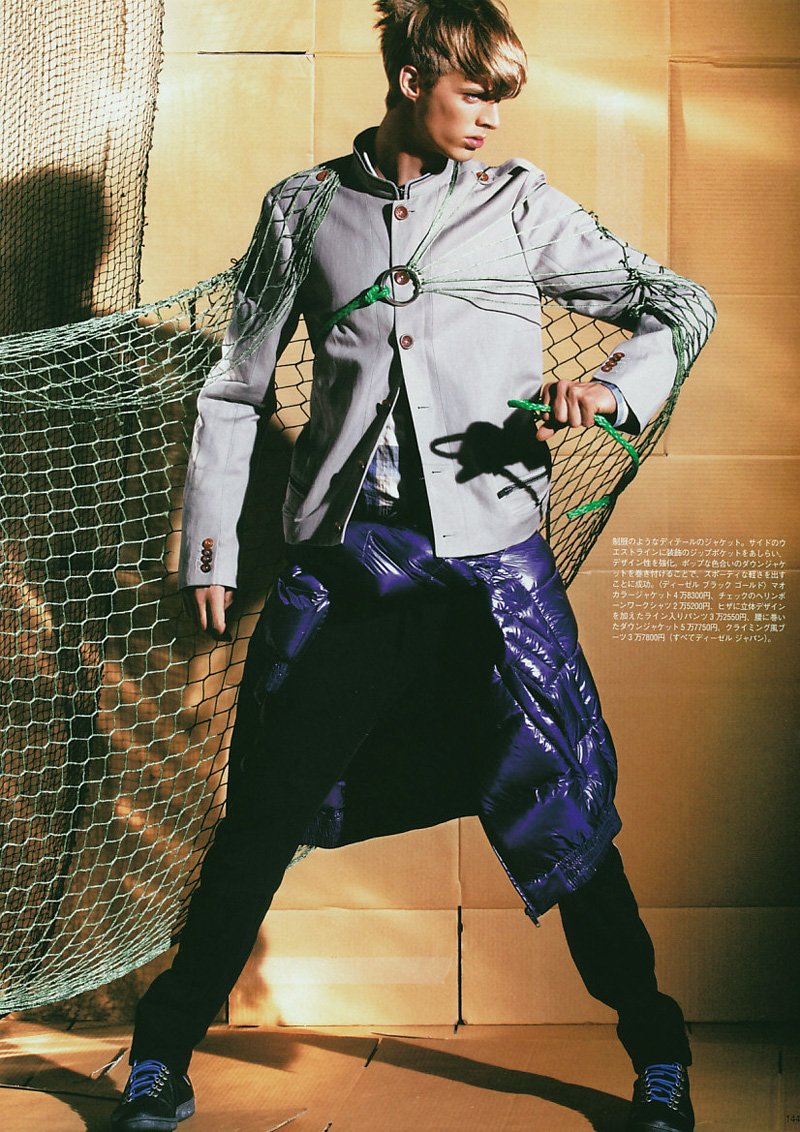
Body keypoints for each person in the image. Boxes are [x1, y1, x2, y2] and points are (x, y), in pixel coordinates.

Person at [111, 2, 715, 1129]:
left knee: (566, 808)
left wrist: (610, 387)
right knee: (261, 816)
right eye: (472, 92)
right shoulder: (301, 211)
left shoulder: (518, 203)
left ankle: (658, 1055)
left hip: (492, 577)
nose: (490, 118)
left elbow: (681, 305)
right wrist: (210, 545)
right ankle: (161, 1055)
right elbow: (234, 386)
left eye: (500, 98)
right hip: (352, 570)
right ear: (408, 77)